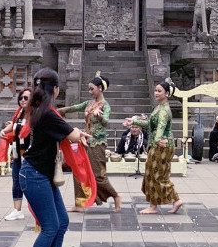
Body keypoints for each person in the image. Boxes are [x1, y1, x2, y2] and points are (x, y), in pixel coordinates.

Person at [18, 67, 92, 247]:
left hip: (40, 175)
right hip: (35, 176)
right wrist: (82, 130)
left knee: (61, 222)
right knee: (50, 226)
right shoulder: (48, 113)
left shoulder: (40, 110)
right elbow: (71, 135)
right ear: (56, 89)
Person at [60, 73, 122, 213]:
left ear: (100, 88)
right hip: (84, 141)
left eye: (92, 89)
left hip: (97, 143)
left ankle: (116, 196)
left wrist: (98, 116)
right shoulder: (89, 103)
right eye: (88, 89)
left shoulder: (105, 105)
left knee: (98, 175)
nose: (89, 92)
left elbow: (106, 121)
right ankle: (79, 204)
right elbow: (74, 108)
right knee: (78, 172)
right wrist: (54, 112)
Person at [124, 80, 184, 215]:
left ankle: (155, 205)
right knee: (157, 175)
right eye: (156, 90)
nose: (156, 93)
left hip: (161, 146)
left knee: (155, 176)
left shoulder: (163, 110)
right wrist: (134, 121)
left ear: (167, 93)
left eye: (159, 91)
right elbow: (151, 126)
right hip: (160, 145)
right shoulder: (159, 107)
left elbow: (161, 127)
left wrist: (157, 140)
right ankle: (173, 200)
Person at [0, 88, 31, 221]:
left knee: (30, 183)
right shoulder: (19, 113)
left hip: (30, 155)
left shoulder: (35, 114)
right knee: (16, 181)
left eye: (26, 98)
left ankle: (39, 209)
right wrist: (4, 130)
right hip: (18, 153)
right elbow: (14, 125)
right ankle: (17, 210)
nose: (22, 100)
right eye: (21, 97)